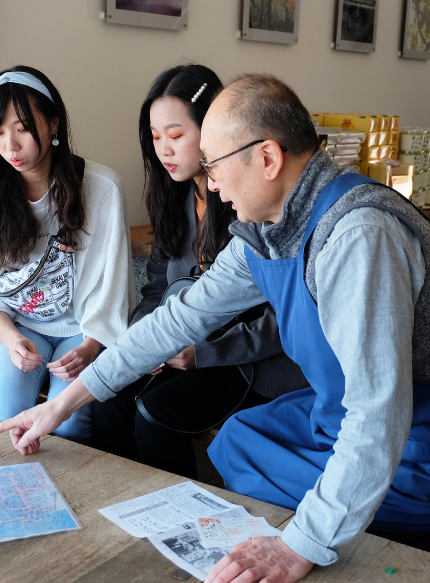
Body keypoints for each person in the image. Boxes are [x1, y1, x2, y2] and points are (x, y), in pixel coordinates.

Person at [0, 74, 430, 583]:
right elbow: (179, 319)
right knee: (241, 440)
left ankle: (380, 552)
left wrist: (300, 547)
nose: (214, 187)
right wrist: (61, 405)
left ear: (268, 157)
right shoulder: (269, 228)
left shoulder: (358, 236)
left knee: (302, 513)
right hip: (360, 412)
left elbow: (378, 411)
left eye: (215, 166)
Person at [91, 64, 307, 478]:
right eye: (155, 138)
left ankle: (178, 520)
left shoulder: (252, 202)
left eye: (176, 136)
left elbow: (283, 317)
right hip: (180, 344)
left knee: (155, 415)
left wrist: (204, 353)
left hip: (245, 359)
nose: (164, 150)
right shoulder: (172, 200)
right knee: (108, 396)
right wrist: (145, 338)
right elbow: (156, 289)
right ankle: (123, 504)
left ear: (213, 133)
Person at [0, 65, 133, 443]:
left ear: (53, 124)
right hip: (19, 327)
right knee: (2, 417)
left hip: (82, 329)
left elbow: (115, 283)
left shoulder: (103, 188)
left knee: (71, 427)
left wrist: (91, 346)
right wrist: (11, 339)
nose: (10, 146)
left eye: (21, 128)